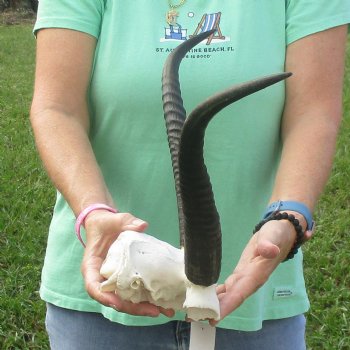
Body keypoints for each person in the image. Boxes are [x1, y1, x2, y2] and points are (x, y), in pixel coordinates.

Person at [30, 1, 350, 349]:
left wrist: (288, 217)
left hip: (252, 286)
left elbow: (313, 114)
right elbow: (57, 108)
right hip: (111, 282)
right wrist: (94, 210)